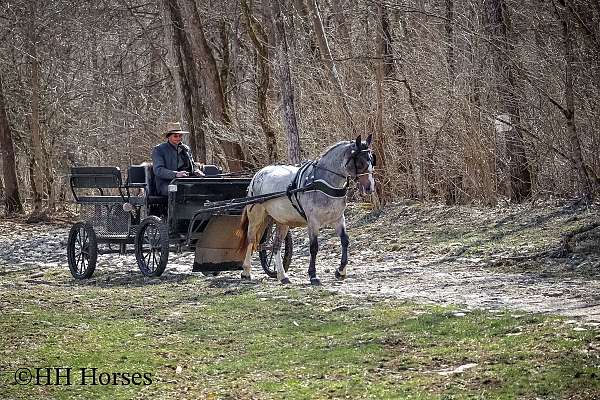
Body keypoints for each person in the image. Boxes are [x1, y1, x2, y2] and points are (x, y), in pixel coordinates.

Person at [152, 122, 204, 196]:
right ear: (168, 137)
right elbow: (158, 170)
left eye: (180, 136)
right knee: (180, 190)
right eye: (175, 136)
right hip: (167, 184)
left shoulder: (186, 149)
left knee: (205, 188)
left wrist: (196, 171)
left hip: (187, 181)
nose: (179, 138)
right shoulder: (159, 149)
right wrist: (176, 174)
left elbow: (192, 165)